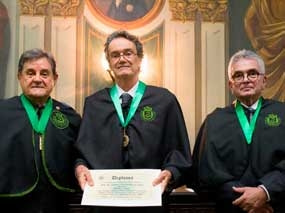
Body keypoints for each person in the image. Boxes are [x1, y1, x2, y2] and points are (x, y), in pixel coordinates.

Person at [74, 30, 192, 213]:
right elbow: (82, 152)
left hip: (150, 204)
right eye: (115, 55)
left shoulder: (164, 100)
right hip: (105, 205)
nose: (122, 59)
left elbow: (178, 151)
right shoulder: (94, 104)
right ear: (109, 63)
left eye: (128, 53)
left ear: (140, 60)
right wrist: (79, 167)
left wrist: (170, 172)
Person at [190, 49, 285, 213]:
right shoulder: (214, 121)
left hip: (276, 205)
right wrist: (246, 200)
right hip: (231, 207)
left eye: (252, 74)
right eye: (238, 75)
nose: (246, 80)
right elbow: (205, 173)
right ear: (230, 84)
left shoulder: (283, 113)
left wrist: (265, 192)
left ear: (264, 81)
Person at [0, 48, 81, 212]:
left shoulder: (70, 116)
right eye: (30, 73)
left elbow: (82, 156)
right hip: (10, 201)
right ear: (19, 77)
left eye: (44, 74)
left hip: (58, 202)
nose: (37, 79)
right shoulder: (2, 111)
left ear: (54, 78)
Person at [244, 0, 285, 100]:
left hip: (267, 51)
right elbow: (248, 20)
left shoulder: (262, 2)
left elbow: (248, 20)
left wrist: (256, 44)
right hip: (269, 51)